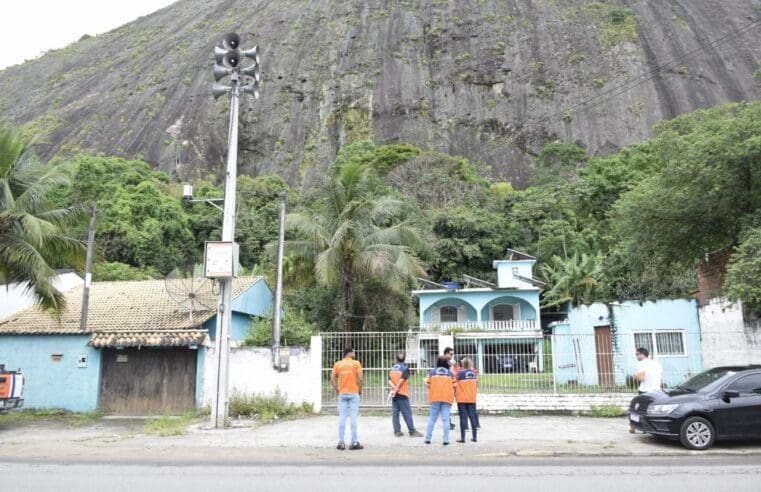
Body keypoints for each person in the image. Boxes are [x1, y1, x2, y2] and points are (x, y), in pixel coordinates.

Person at [331, 347, 363, 450]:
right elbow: (361, 378)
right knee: (353, 418)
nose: (354, 353)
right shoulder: (356, 363)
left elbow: (332, 378)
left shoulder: (338, 364)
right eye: (353, 351)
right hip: (353, 393)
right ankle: (354, 443)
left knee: (342, 418)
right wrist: (360, 389)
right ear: (349, 353)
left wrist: (336, 389)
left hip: (342, 394)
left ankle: (341, 443)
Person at [388, 353, 423, 437]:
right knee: (407, 413)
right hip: (402, 393)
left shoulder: (392, 369)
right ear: (404, 359)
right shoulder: (405, 369)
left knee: (395, 413)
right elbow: (401, 380)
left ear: (396, 359)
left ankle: (397, 431)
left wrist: (394, 389)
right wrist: (397, 389)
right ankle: (412, 431)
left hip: (394, 394)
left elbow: (389, 381)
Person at [424, 355, 456, 445]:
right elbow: (455, 385)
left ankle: (428, 438)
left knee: (432, 419)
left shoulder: (432, 372)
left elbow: (427, 384)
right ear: (447, 363)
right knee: (446, 420)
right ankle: (446, 440)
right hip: (447, 398)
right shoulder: (450, 374)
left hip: (434, 398)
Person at [629, 347, 662, 433]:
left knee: (637, 408)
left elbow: (641, 378)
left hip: (645, 390)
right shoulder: (656, 363)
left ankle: (633, 426)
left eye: (637, 354)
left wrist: (635, 376)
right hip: (656, 390)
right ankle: (648, 428)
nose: (636, 356)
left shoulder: (642, 363)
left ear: (642, 354)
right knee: (651, 410)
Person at [455, 358, 478, 443]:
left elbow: (454, 381)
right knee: (472, 417)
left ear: (463, 364)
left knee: (463, 418)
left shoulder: (459, 374)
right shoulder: (474, 374)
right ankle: (474, 437)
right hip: (471, 398)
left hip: (461, 399)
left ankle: (463, 438)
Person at [443, 347, 457, 431]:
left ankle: (448, 422)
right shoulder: (445, 362)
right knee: (446, 406)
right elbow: (450, 374)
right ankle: (447, 423)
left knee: (446, 406)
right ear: (446, 353)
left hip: (447, 386)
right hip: (445, 386)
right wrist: (452, 366)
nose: (452, 356)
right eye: (451, 354)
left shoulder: (446, 361)